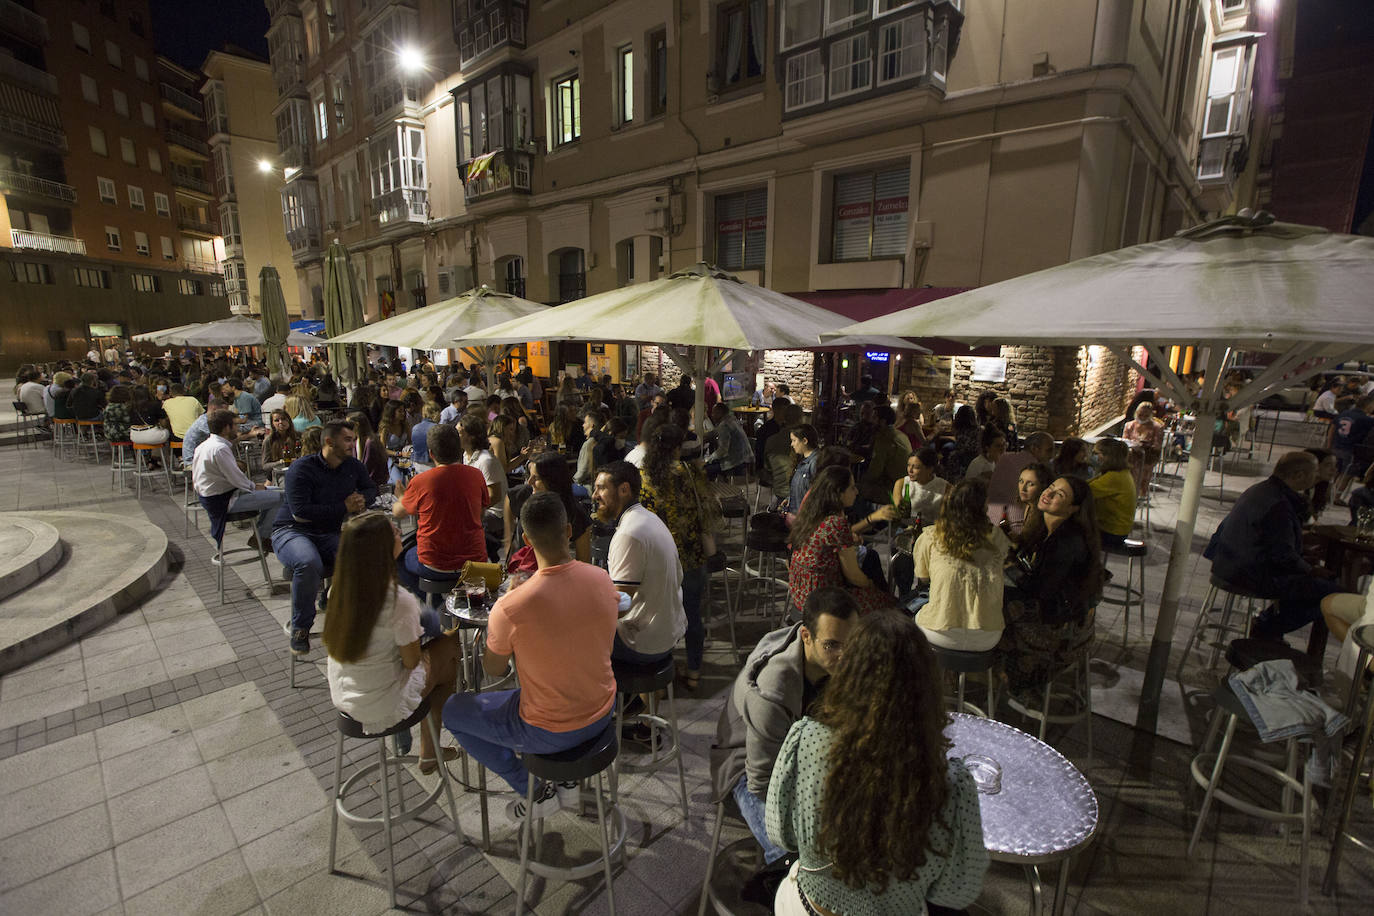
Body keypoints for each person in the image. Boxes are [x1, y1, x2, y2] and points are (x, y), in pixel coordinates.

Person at [766, 611, 988, 916]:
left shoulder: (805, 739)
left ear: (849, 672)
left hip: (804, 908)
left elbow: (781, 835)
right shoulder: (950, 785)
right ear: (927, 687)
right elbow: (955, 890)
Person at [445, 493, 620, 813]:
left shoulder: (511, 607)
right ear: (568, 531)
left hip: (550, 730)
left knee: (453, 711)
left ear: (526, 540)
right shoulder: (602, 580)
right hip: (603, 710)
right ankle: (566, 782)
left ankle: (533, 790)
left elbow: (494, 670)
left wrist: (504, 620)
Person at [709, 588, 860, 900]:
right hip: (744, 769)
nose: (845, 657)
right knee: (799, 859)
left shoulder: (833, 659)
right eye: (832, 645)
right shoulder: (774, 690)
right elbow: (762, 783)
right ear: (806, 636)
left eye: (852, 644)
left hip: (799, 753)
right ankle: (778, 890)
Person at [323, 511, 460, 773]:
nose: (401, 533)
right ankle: (429, 751)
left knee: (424, 634)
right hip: (380, 705)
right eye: (395, 532)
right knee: (448, 647)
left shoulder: (339, 589)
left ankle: (413, 736)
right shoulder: (397, 601)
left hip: (344, 696)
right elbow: (411, 662)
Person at [1209, 450, 1362, 640]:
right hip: (1248, 573)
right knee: (1333, 595)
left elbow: (1276, 544)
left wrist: (1304, 561)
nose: (1316, 477)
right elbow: (1282, 554)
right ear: (1299, 475)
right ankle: (1266, 629)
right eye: (1314, 472)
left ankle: (1269, 628)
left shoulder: (1263, 489)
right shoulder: (1278, 503)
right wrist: (1309, 569)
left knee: (1313, 585)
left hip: (1233, 565)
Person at [272, 419, 379, 656]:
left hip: (328, 532)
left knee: (362, 557)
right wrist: (344, 506)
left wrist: (362, 499)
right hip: (292, 531)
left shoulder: (352, 465)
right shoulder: (302, 469)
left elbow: (371, 488)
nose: (353, 444)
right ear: (329, 442)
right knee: (308, 562)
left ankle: (339, 605)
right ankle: (300, 628)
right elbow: (301, 513)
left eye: (353, 439)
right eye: (347, 440)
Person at [999, 475, 1103, 696]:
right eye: (1051, 486)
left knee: (992, 603)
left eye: (1060, 495)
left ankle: (1011, 675)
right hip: (1061, 616)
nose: (1049, 493)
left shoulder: (1067, 541)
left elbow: (1041, 590)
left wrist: (1007, 570)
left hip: (1059, 631)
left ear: (1074, 508)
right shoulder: (1045, 528)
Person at [639, 423, 718, 692]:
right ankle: (694, 672)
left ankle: (663, 672)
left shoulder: (645, 478)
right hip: (692, 555)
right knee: (693, 616)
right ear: (676, 449)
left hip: (661, 561)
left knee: (661, 617)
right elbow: (706, 511)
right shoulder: (690, 472)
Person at [593, 461, 686, 664]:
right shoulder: (649, 518)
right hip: (669, 630)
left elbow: (621, 605)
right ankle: (641, 695)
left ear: (624, 489)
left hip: (644, 643)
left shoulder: (629, 534)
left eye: (601, 488)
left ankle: (608, 695)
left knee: (576, 637)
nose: (594, 496)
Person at [912, 478, 1012, 651]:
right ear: (983, 508)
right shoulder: (998, 537)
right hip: (987, 636)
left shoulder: (930, 537)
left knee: (915, 609)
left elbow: (923, 578)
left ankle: (929, 674)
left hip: (940, 632)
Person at [393, 424, 489, 597]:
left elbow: (398, 512)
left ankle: (434, 602)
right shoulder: (476, 475)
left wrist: (400, 496)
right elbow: (480, 513)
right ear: (459, 448)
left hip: (434, 563)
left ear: (431, 453)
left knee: (399, 558)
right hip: (475, 561)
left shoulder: (421, 481)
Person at [787, 465, 896, 616]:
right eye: (852, 488)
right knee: (886, 603)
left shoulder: (810, 514)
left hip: (801, 594)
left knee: (870, 561)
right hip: (822, 601)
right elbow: (854, 576)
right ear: (839, 493)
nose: (856, 492)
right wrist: (871, 585)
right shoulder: (835, 523)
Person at [192, 409, 285, 550]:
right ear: (226, 427)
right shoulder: (219, 448)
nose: (237, 428)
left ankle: (262, 533)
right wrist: (255, 486)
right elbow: (236, 478)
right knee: (281, 497)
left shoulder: (205, 445)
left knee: (278, 490)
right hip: (223, 500)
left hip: (217, 495)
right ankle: (262, 536)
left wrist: (255, 486)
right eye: (235, 425)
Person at [504, 452, 592, 565]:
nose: (530, 482)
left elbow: (584, 561)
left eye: (537, 478)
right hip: (525, 571)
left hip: (558, 575)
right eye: (529, 476)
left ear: (553, 480)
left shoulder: (575, 512)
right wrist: (508, 540)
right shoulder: (525, 494)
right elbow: (509, 498)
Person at [459, 414, 506, 554]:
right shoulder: (466, 456)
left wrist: (472, 511)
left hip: (496, 515)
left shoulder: (485, 460)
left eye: (459, 432)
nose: (456, 436)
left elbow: (495, 496)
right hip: (480, 509)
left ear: (471, 436)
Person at [1088, 437, 1136, 548]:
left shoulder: (1114, 477)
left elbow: (1086, 490)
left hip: (1112, 533)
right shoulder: (1120, 473)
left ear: (1107, 457)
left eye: (1096, 453)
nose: (1093, 456)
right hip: (1114, 529)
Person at [859, 405, 913, 505]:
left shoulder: (884, 439)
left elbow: (875, 472)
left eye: (874, 418)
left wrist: (859, 480)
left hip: (893, 488)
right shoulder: (900, 435)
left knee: (856, 491)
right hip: (907, 485)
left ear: (882, 421)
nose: (871, 420)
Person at [892, 446, 949, 523]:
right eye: (908, 465)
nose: (910, 470)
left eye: (915, 467)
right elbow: (897, 514)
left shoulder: (945, 488)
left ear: (930, 469)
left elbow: (948, 518)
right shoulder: (901, 483)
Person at [1123, 402, 1165, 496]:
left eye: (1146, 415)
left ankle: (1138, 495)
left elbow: (1157, 446)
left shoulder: (1157, 428)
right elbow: (1124, 442)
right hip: (1130, 456)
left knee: (1140, 470)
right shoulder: (1129, 425)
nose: (1142, 417)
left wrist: (1142, 446)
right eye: (1140, 414)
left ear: (1150, 415)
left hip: (1147, 458)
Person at [703, 403, 752, 479]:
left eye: (714, 413)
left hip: (736, 462)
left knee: (704, 469)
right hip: (746, 458)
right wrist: (706, 436)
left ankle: (712, 489)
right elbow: (716, 431)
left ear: (720, 413)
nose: (712, 415)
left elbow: (723, 450)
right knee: (710, 463)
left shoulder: (724, 425)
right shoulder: (731, 419)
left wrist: (707, 459)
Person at [786, 423, 821, 512]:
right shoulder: (803, 460)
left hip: (805, 518)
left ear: (805, 441)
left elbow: (817, 495)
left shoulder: (815, 463)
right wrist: (790, 499)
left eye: (794, 440)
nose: (792, 444)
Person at [261, 409, 301, 475]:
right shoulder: (269, 440)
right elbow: (265, 466)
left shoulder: (299, 436)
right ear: (272, 424)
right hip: (280, 473)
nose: (280, 422)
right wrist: (281, 462)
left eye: (283, 419)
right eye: (276, 420)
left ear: (289, 420)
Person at [410, 401, 440, 465]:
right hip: (432, 463)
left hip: (416, 463)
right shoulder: (436, 428)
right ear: (436, 413)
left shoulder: (415, 427)